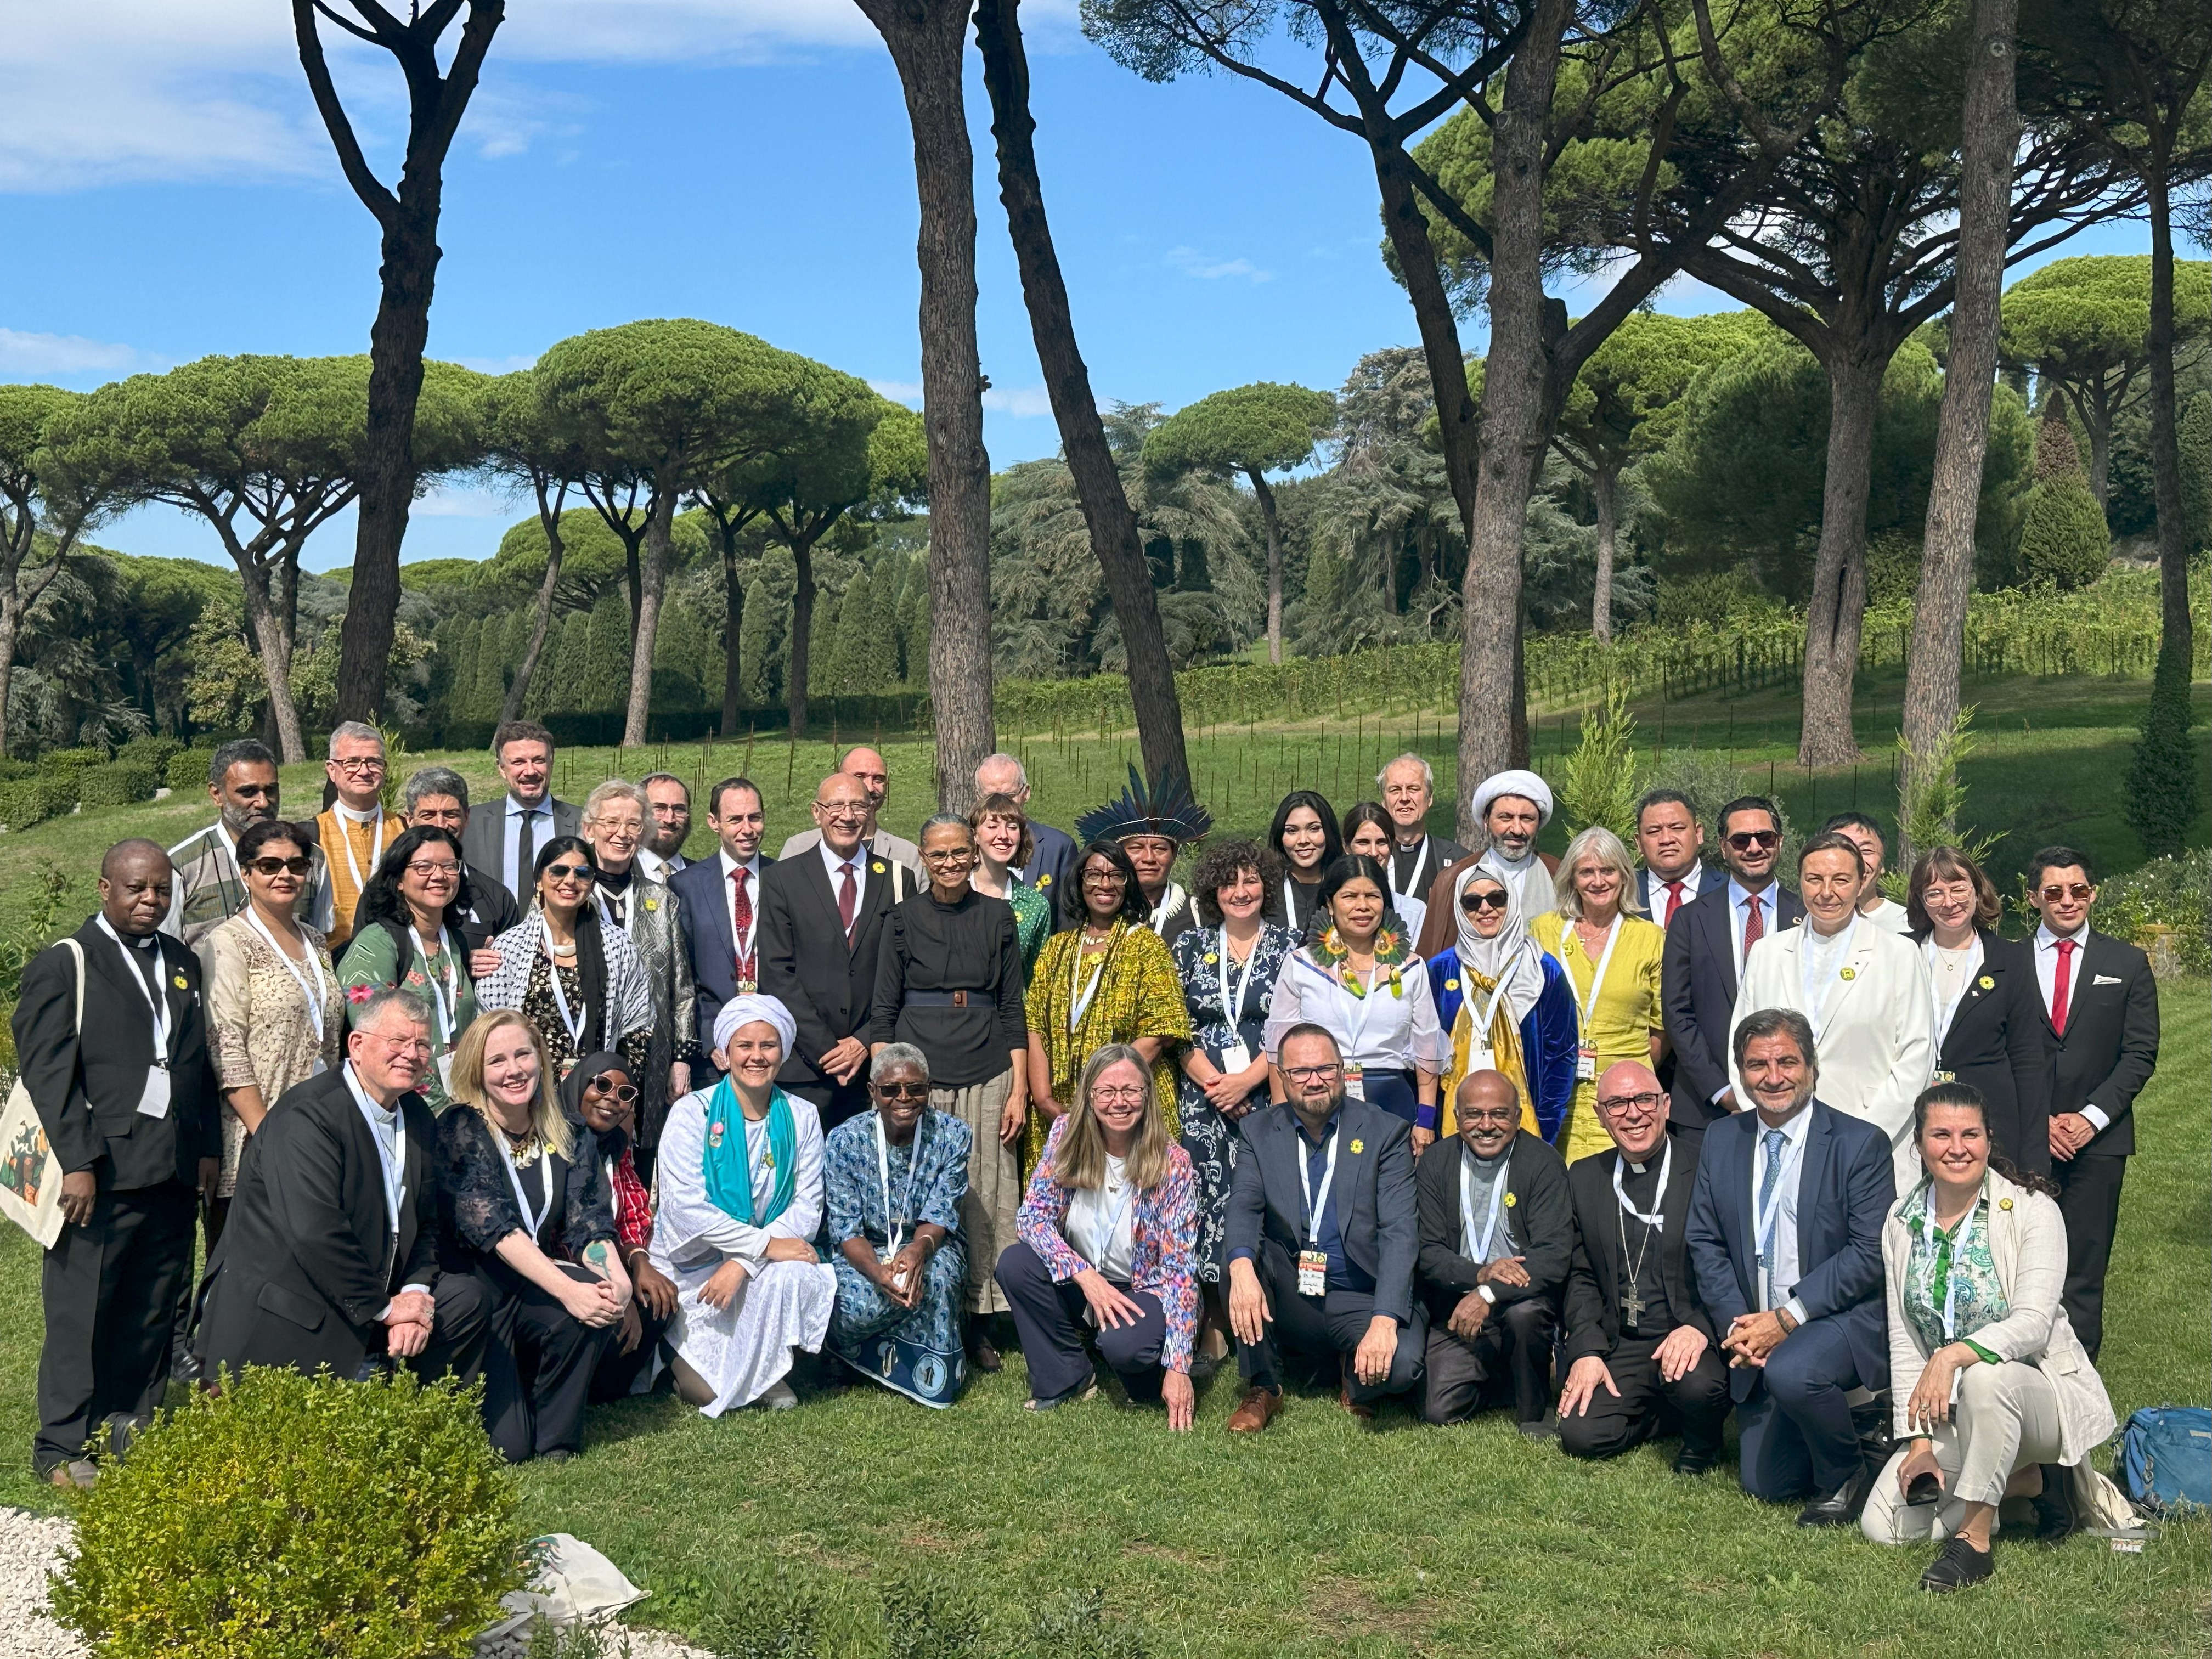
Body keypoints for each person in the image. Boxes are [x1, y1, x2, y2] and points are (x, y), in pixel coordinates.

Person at [16, 841, 220, 1487]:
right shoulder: (66, 964)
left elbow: (195, 1067)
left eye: (161, 890)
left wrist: (207, 1147)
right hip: (100, 1175)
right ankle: (61, 1446)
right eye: (136, 888)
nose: (150, 901)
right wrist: (77, 1161)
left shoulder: (182, 960)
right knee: (86, 1311)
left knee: (155, 1308)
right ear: (104, 889)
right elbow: (49, 1074)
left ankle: (128, 1427)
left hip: (172, 1169)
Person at [1860, 1083, 2117, 1589]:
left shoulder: (2031, 1210)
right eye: (1941, 1134)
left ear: (1988, 1138)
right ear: (1919, 1145)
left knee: (1984, 1380)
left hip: (2035, 1401)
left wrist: (1954, 1356)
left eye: (1970, 1134)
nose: (1957, 1148)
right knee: (1883, 1528)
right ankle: (2018, 1484)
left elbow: (2032, 1322)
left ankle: (1974, 1542)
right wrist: (1917, 1444)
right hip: (1950, 1415)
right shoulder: (1901, 1219)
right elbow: (1904, 1336)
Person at [197, 988, 488, 1396]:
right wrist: (386, 1309)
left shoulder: (417, 1115)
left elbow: (427, 1222)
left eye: (422, 1044)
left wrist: (414, 1296)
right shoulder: (309, 1115)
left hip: (372, 1300)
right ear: (356, 1044)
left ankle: (429, 1412)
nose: (412, 1054)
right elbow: (314, 1231)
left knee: (466, 1297)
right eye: (398, 1041)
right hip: (291, 1313)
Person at [1685, 1008, 1894, 1523]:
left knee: (1795, 1370)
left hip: (1836, 1318)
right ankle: (1860, 1428)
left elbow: (1870, 1252)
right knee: (1767, 1483)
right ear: (1740, 1072)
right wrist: (1740, 1326)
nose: (1773, 1077)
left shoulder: (1859, 1143)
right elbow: (1704, 1239)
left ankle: (1845, 1472)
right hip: (1755, 1325)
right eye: (1757, 1064)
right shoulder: (1721, 1138)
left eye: (1787, 1062)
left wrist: (1789, 1318)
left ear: (1812, 1067)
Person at [868, 814, 1029, 1371]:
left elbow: (1013, 1007)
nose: (952, 864)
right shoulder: (901, 920)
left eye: (961, 852)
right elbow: (883, 1011)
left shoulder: (998, 915)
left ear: (975, 853)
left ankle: (981, 1319)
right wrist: (882, 1085)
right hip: (920, 1076)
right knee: (926, 1196)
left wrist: (1020, 1090)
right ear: (923, 857)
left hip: (989, 1067)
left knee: (986, 1195)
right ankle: (928, 1313)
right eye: (939, 855)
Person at [436, 1012, 629, 1463]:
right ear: (477, 1072)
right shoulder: (461, 1129)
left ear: (540, 1059)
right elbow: (494, 1228)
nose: (514, 1070)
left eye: (523, 1054)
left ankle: (558, 1441)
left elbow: (588, 1222)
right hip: (475, 1292)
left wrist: (613, 1275)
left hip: (530, 1279)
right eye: (497, 1061)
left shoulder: (567, 1130)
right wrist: (568, 1288)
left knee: (593, 1295)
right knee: (509, 1449)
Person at [1222, 1025, 1423, 1430]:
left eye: (1325, 1069)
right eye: (1300, 1072)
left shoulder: (1385, 1132)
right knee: (1239, 1263)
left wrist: (1384, 1323)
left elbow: (1400, 1232)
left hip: (1358, 1291)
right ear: (1282, 1077)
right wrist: (1241, 1268)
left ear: (1342, 1070)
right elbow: (1244, 1205)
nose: (1314, 1081)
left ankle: (1354, 1369)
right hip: (1296, 1288)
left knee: (1401, 1367)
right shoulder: (1258, 1131)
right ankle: (1265, 1386)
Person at [651, 996, 837, 1414]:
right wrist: (764, 1246)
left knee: (798, 1273)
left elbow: (807, 1208)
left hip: (759, 1265)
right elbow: (686, 1210)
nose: (757, 1056)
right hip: (696, 1268)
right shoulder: (691, 1114)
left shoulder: (803, 1116)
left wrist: (746, 1260)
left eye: (768, 1046)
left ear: (783, 1052)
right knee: (709, 1393)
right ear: (726, 1052)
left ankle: (769, 1370)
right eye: (745, 1046)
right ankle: (679, 1363)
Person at [997, 1045, 1198, 1425]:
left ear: (1147, 1095)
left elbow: (1181, 1272)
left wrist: (1180, 1367)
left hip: (1141, 1288)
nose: (1119, 1102)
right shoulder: (1064, 1134)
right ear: (1089, 1096)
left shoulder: (1174, 1163)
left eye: (1131, 1091)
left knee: (1124, 1348)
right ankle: (1067, 1375)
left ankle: (1138, 1366)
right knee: (1015, 1264)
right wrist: (1084, 1276)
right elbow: (1032, 1219)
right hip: (1082, 1279)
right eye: (1107, 1091)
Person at [1732, 832, 1936, 1188]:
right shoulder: (1767, 953)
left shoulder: (1899, 955)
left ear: (1862, 884)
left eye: (1841, 880)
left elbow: (1916, 1056)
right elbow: (1741, 1050)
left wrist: (1861, 1142)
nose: (1827, 892)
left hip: (1873, 1149)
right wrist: (1768, 1127)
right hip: (1781, 1147)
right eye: (1814, 880)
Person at [1556, 1062, 1729, 1472]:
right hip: (1625, 1340)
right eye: (1616, 1104)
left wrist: (1702, 1327)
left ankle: (1702, 1439)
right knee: (1581, 1435)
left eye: (1644, 1100)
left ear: (1666, 1106)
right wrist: (1587, 1351)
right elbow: (1580, 1276)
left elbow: (1732, 1263)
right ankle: (1665, 1416)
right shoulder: (1584, 1177)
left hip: (1686, 1333)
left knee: (1699, 1388)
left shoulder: (1707, 1167)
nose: (1633, 1114)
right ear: (1600, 1116)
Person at [2023, 845, 2158, 1362]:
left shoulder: (2126, 963)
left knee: (2083, 1266)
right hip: (2027, 1138)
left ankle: (2077, 1386)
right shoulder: (2007, 961)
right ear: (2034, 897)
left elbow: (2140, 1053)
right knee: (2021, 1262)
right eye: (2054, 892)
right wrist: (2040, 1121)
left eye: (2078, 890)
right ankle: (2019, 1374)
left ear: (2093, 893)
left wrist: (2089, 1119)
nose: (2067, 901)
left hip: (2098, 1143)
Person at [194, 820, 344, 1242]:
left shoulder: (315, 939)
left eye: (297, 865)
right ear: (246, 872)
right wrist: (268, 1132)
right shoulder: (227, 942)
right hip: (256, 1132)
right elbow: (225, 1045)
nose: (285, 875)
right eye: (270, 865)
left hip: (317, 1125)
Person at [1169, 838, 1294, 1340]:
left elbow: (1297, 1026)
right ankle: (1212, 1318)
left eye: (1251, 881)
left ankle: (1262, 1306)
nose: (1241, 892)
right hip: (1202, 1100)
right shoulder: (1189, 946)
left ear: (1267, 887)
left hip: (1269, 1093)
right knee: (1201, 1197)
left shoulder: (1292, 945)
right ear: (1212, 892)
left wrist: (1247, 1080)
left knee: (1259, 1194)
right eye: (1229, 882)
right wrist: (1216, 1084)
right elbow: (1175, 1027)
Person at [1415, 1071, 1571, 1434]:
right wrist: (1479, 1276)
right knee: (1439, 1410)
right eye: (1474, 1114)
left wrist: (1490, 1291)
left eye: (1500, 1114)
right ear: (1457, 1117)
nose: (1487, 1125)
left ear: (1518, 1117)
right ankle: (1505, 1379)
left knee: (1525, 1317)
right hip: (1458, 1304)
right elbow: (1427, 1251)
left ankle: (1534, 1409)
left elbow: (1553, 1253)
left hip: (1520, 1298)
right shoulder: (1436, 1163)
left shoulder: (1544, 1163)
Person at [758, 771, 912, 1132]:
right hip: (805, 1068)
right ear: (817, 813)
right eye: (836, 806)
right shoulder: (783, 879)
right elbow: (776, 972)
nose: (847, 815)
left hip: (872, 1067)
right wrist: (828, 1049)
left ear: (871, 809)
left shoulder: (896, 879)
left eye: (858, 805)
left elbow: (905, 971)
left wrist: (863, 1040)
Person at [1023, 839, 1190, 1167]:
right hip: (1059, 1113)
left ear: (1128, 885)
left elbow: (1160, 1032)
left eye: (1116, 875)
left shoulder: (1146, 946)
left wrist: (1104, 1097)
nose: (1105, 884)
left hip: (1127, 1110)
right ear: (1079, 881)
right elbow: (1035, 1027)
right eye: (1094, 875)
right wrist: (1044, 1100)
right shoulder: (1056, 948)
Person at [822, 1045, 974, 1407]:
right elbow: (845, 1228)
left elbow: (940, 1214)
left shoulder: (953, 1134)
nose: (904, 1098)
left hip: (928, 1244)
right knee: (846, 1304)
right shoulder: (845, 1139)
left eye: (915, 1089)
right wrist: (877, 1271)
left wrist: (918, 1251)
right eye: (890, 1090)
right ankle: (853, 1352)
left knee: (935, 1279)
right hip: (863, 1250)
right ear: (873, 1092)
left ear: (929, 1088)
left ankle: (914, 1368)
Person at [1262, 854, 1445, 1147]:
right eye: (1350, 896)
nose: (1362, 906)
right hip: (1317, 1101)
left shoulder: (1411, 967)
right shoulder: (1301, 965)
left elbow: (1427, 1047)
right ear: (1330, 906)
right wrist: (1282, 1117)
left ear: (1385, 904)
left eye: (1372, 896)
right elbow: (1279, 1050)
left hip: (1391, 1103)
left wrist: (1425, 1119)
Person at [1662, 796, 1806, 1127]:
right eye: (1741, 840)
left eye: (1764, 838)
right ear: (1723, 846)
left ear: (1780, 843)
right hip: (1705, 1109)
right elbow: (1677, 1013)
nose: (1754, 848)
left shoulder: (1806, 916)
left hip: (1792, 1101)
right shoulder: (1689, 920)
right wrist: (1722, 1091)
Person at [1907, 846, 2050, 1177]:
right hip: (1911, 1121)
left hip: (1988, 1126)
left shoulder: (2011, 960)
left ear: (1977, 890)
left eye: (1959, 889)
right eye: (1935, 893)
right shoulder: (1900, 953)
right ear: (1920, 900)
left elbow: (2028, 1059)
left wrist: (2034, 1159)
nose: (1949, 902)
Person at [1529, 826, 1667, 1164]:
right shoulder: (1543, 931)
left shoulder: (1651, 937)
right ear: (1572, 879)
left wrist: (1627, 1072)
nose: (1598, 881)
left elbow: (1661, 1030)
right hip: (1556, 1095)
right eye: (1586, 872)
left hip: (1626, 1103)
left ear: (1624, 876)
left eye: (1608, 870)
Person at [580, 778, 699, 1165]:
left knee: (643, 1160)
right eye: (611, 822)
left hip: (651, 1058)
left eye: (634, 824)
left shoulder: (660, 899)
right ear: (589, 829)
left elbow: (681, 987)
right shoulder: (567, 891)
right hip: (586, 1052)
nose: (622, 833)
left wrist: (681, 1058)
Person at [475, 838, 656, 1081]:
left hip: (595, 1094)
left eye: (582, 873)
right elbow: (489, 1025)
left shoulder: (617, 945)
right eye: (559, 871)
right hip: (526, 1090)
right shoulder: (510, 947)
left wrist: (616, 1088)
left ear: (591, 885)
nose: (570, 881)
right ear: (539, 881)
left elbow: (638, 1026)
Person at [338, 826, 484, 1112]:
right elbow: (377, 1042)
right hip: (403, 1109)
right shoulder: (377, 944)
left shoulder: (455, 942)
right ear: (399, 881)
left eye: (449, 866)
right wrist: (441, 1111)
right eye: (424, 867)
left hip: (463, 1104)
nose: (439, 876)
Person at [1428, 864, 1577, 1142]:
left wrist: (1544, 1133)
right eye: (1472, 902)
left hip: (1526, 1125)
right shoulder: (1439, 971)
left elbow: (1561, 1057)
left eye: (1497, 898)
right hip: (1454, 1126)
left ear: (1512, 900)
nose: (1485, 908)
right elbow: (1425, 1054)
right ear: (1460, 909)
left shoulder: (1542, 970)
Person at [562, 1053, 675, 1402]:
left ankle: (606, 1394)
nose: (613, 1098)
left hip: (610, 1261)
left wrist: (640, 1261)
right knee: (617, 1304)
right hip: (565, 1267)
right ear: (579, 1085)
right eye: (603, 1085)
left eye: (625, 1093)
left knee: (660, 1296)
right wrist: (621, 1290)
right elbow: (565, 1233)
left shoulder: (616, 1148)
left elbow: (631, 1215)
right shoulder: (556, 1146)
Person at [165, 738, 319, 947]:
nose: (263, 802)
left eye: (271, 790)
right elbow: (165, 949)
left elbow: (323, 938)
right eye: (249, 792)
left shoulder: (311, 858)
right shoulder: (183, 865)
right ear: (217, 794)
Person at [669, 776, 774, 1051]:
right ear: (713, 822)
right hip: (712, 1042)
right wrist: (710, 1040)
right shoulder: (686, 886)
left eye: (755, 817)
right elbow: (684, 976)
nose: (748, 829)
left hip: (774, 1036)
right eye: (735, 819)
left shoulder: (786, 878)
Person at [1411, 769, 1560, 961]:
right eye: (1505, 817)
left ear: (1539, 824)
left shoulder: (1557, 875)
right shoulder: (1454, 880)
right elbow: (1432, 957)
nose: (1516, 829)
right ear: (1486, 822)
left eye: (1526, 819)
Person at [1075, 764, 1213, 947]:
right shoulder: (1096, 911)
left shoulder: (1198, 914)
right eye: (1136, 848)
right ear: (1119, 856)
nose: (1149, 858)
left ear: (1175, 855)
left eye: (1160, 849)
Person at [400, 766, 519, 958]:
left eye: (451, 814)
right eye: (428, 815)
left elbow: (514, 970)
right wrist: (461, 965)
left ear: (467, 817)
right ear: (409, 820)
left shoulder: (497, 898)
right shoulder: (384, 892)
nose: (440, 824)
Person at [462, 720, 581, 909]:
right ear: (501, 768)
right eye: (518, 762)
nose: (530, 771)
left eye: (539, 760)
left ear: (552, 762)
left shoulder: (581, 822)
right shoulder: (471, 824)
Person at [313, 721, 406, 950]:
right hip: (333, 958)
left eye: (374, 762)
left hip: (399, 955)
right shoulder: (312, 835)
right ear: (332, 770)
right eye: (352, 762)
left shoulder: (404, 829)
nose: (364, 771)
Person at [777, 744, 921, 871]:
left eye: (878, 779)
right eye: (860, 777)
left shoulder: (906, 856)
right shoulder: (798, 848)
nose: (870, 787)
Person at [975, 752, 1076, 927]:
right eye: (991, 798)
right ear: (978, 797)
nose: (1002, 806)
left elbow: (1067, 927)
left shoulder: (1059, 848)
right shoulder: (964, 849)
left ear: (1026, 793)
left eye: (1009, 796)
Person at [968, 791, 1054, 982]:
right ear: (975, 836)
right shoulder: (953, 895)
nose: (1003, 836)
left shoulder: (1035, 906)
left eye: (1012, 827)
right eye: (992, 826)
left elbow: (1037, 980)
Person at [1375, 752, 1468, 909]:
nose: (1404, 798)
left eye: (1413, 789)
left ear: (1429, 798)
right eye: (1395, 790)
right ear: (1384, 801)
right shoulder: (1370, 857)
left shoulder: (1459, 862)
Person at [1342, 801, 1429, 942]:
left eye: (1381, 842)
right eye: (1363, 842)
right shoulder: (1332, 909)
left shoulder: (1414, 912)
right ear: (1346, 847)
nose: (1374, 852)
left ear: (1392, 845)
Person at [1632, 789, 1714, 926]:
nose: (1666, 839)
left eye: (1677, 828)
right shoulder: (1622, 893)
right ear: (1639, 842)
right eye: (1654, 831)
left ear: (1698, 834)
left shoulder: (1729, 890)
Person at [1267, 789, 1341, 940]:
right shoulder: (1266, 890)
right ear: (1280, 836)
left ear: (1329, 831)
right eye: (1292, 831)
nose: (1303, 840)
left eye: (1314, 829)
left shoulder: (1345, 886)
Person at [1822, 812, 1912, 934]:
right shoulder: (1802, 922)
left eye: (1866, 850)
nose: (1856, 860)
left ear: (1882, 865)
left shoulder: (1907, 925)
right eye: (1843, 849)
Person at [637, 771, 694, 883]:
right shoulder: (621, 872)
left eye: (679, 809)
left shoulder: (704, 878)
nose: (669, 819)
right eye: (660, 808)